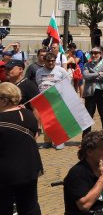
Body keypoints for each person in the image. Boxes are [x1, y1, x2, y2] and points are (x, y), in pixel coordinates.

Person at [0, 82, 42, 215]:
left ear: (4, 100)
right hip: (30, 170)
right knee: (30, 206)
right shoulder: (28, 115)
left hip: (7, 174)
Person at [36, 52, 71, 150]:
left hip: (58, 100)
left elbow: (68, 83)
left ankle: (59, 141)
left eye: (53, 61)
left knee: (58, 121)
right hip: (44, 100)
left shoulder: (61, 70)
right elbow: (38, 83)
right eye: (48, 61)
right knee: (46, 122)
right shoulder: (39, 71)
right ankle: (47, 141)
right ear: (44, 61)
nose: (51, 63)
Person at [82, 46, 103, 136]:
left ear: (101, 54)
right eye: (92, 53)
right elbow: (85, 76)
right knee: (88, 117)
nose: (94, 55)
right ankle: (85, 139)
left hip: (102, 92)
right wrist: (98, 73)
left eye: (96, 53)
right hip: (90, 93)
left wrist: (92, 75)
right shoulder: (87, 64)